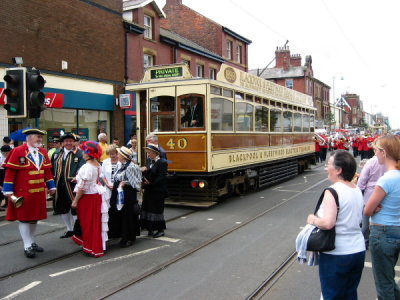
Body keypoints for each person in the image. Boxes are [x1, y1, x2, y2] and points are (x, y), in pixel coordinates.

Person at [306, 150, 365, 299]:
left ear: (339, 170)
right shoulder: (356, 189)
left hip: (337, 253)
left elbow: (327, 223)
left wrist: (312, 219)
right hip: (358, 250)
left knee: (331, 295)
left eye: (329, 165)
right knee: (350, 294)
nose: (326, 168)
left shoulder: (332, 191)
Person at [2, 129, 56, 258]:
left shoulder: (43, 152)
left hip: (38, 194)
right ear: (29, 138)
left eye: (40, 137)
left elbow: (47, 172)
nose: (39, 139)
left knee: (34, 219)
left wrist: (51, 186)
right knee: (24, 219)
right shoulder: (17, 151)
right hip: (23, 194)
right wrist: (8, 192)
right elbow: (9, 175)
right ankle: (27, 245)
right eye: (37, 137)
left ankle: (31, 242)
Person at [364, 135, 400, 300]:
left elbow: (367, 210)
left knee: (384, 283)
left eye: (376, 151)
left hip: (382, 232)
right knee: (389, 280)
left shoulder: (386, 180)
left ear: (384, 152)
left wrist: (373, 208)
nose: (375, 154)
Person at [71, 141, 108, 257]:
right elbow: (94, 179)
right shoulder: (97, 164)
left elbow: (83, 187)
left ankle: (91, 247)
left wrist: (75, 201)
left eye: (84, 151)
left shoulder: (87, 167)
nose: (82, 153)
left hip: (88, 198)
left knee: (87, 223)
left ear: (88, 154)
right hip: (96, 195)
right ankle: (95, 246)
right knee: (95, 222)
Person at [51, 132, 85, 238]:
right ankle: (69, 229)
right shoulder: (57, 153)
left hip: (73, 186)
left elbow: (82, 168)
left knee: (75, 208)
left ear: (74, 142)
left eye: (71, 141)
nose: (68, 143)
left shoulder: (80, 153)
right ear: (62, 143)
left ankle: (77, 230)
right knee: (62, 208)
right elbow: (51, 169)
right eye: (66, 141)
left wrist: (77, 177)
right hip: (59, 185)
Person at [108, 146, 142, 247]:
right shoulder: (120, 165)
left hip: (127, 194)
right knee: (117, 213)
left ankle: (129, 237)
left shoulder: (131, 167)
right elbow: (115, 178)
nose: (117, 155)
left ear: (123, 156)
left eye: (118, 154)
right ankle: (119, 234)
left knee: (127, 215)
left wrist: (125, 183)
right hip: (118, 191)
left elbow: (137, 184)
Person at [357, 155, 386, 249]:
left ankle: (365, 242)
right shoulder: (392, 161)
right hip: (385, 195)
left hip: (370, 194)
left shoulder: (371, 162)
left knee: (365, 222)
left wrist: (360, 189)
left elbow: (362, 180)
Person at [140, 144, 168, 238]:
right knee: (148, 208)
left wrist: (150, 183)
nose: (148, 154)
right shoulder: (149, 161)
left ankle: (160, 230)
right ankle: (150, 228)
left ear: (155, 153)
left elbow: (161, 177)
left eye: (149, 152)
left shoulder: (162, 162)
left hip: (157, 190)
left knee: (157, 209)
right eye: (147, 152)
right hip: (149, 189)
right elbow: (148, 172)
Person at [0, 145, 12, 211]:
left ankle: (8, 203)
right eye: (6, 153)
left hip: (7, 171)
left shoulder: (11, 155)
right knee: (2, 189)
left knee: (8, 188)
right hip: (1, 172)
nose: (7, 154)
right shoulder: (0, 157)